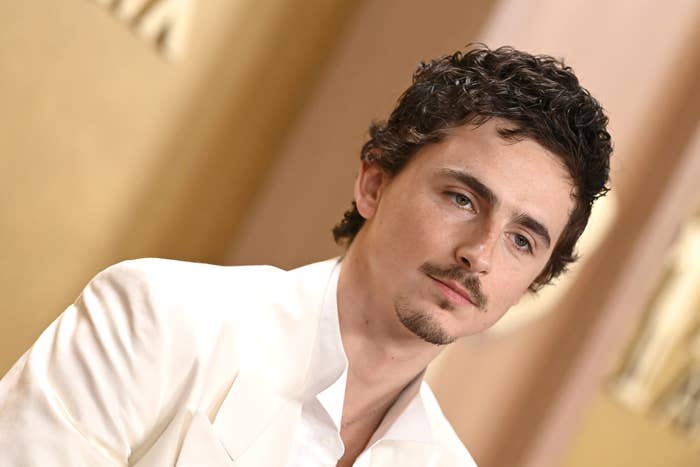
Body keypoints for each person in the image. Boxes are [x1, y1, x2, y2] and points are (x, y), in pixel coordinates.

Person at [0, 45, 612, 466]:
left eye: (522, 240)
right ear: (374, 184)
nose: (480, 254)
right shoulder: (157, 314)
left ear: (536, 280)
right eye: (462, 199)